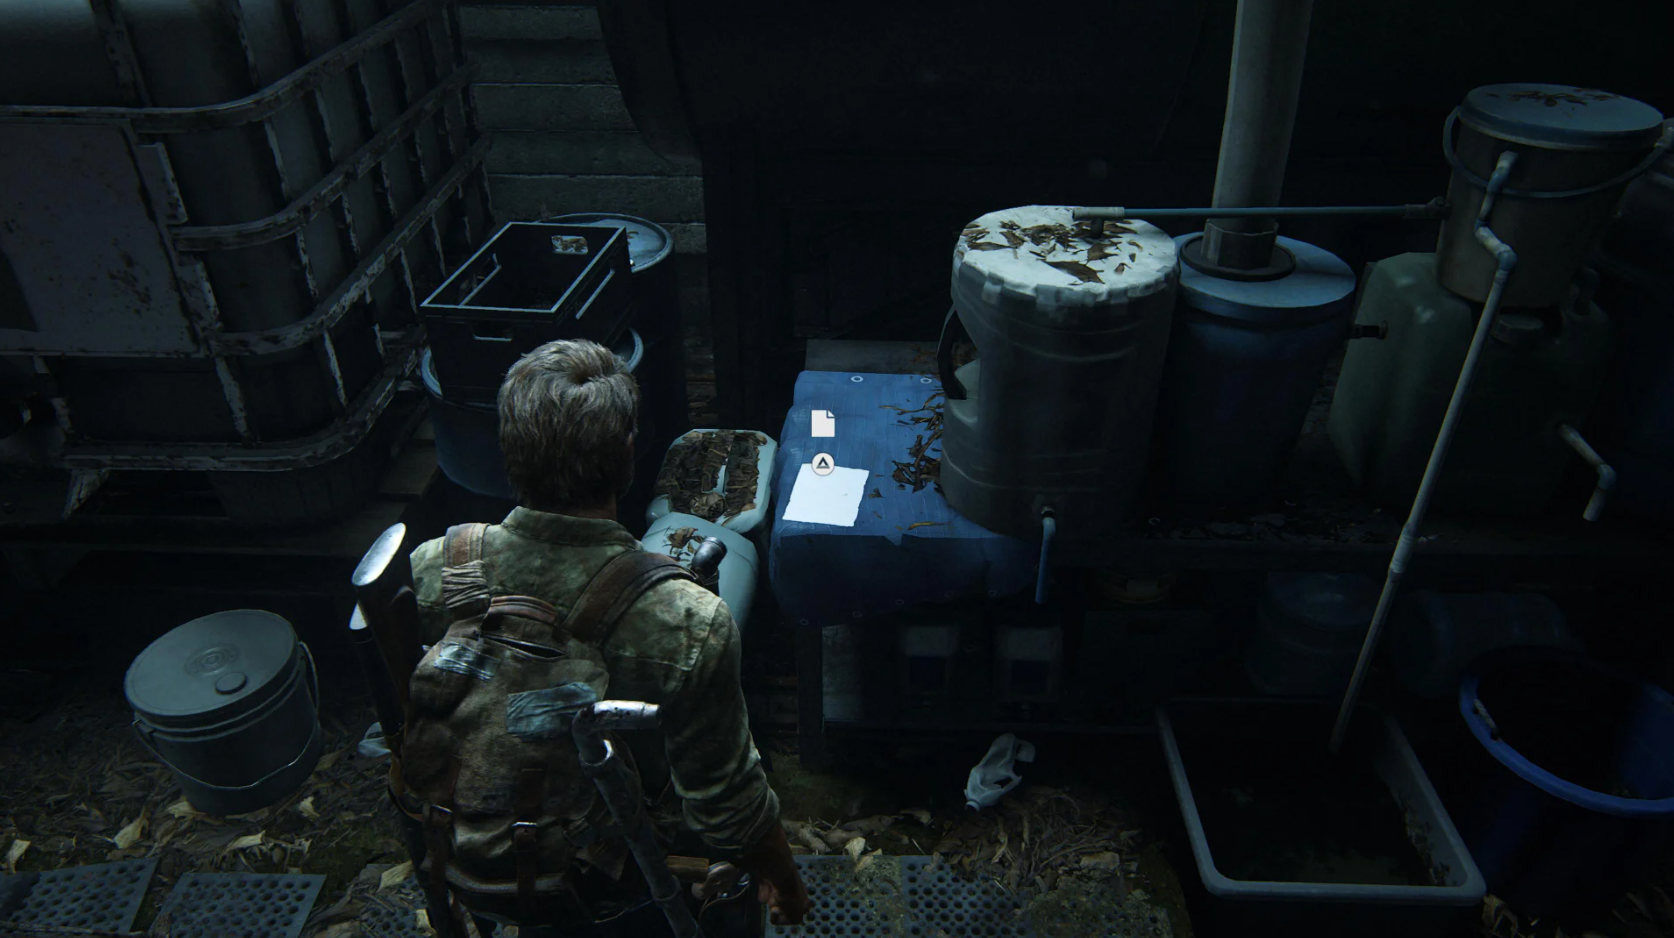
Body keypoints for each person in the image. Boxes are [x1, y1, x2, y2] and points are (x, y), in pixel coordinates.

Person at [406, 339, 809, 935]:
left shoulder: (434, 568)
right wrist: (786, 880)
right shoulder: (688, 620)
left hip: (465, 856)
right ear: (628, 453)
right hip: (615, 876)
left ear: (507, 446)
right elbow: (727, 806)